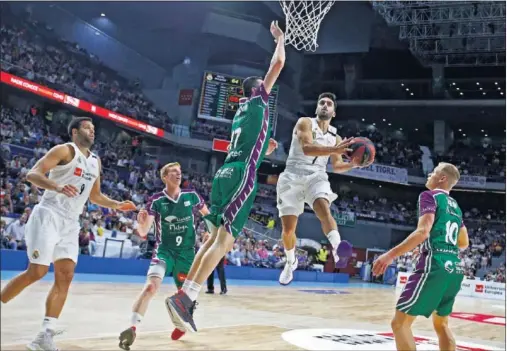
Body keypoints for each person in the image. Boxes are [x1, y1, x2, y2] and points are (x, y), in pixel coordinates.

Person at [165, 20, 285, 334]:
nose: (267, 88)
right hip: (242, 174)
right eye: (263, 85)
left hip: (225, 173)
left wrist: (264, 148)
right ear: (257, 89)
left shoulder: (242, 112)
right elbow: (279, 62)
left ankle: (186, 295)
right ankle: (186, 297)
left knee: (214, 239)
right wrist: (280, 39)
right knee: (225, 242)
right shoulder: (259, 100)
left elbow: (251, 143)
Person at [0, 117, 136, 351]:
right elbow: (32, 174)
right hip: (49, 215)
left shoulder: (95, 161)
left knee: (66, 275)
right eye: (87, 127)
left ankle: (45, 334)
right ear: (75, 132)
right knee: (37, 272)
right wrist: (57, 186)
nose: (92, 131)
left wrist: (116, 205)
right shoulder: (64, 150)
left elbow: (95, 196)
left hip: (70, 223)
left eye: (94, 128)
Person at [372, 162, 469, 351]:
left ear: (442, 178)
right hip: (455, 267)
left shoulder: (429, 196)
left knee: (399, 324)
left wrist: (389, 255)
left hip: (435, 264)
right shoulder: (456, 207)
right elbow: (464, 242)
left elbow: (423, 231)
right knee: (442, 325)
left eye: (433, 172)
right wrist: (435, 242)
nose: (429, 175)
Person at [276, 92, 364, 285]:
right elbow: (307, 148)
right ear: (317, 108)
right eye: (321, 103)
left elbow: (338, 166)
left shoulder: (335, 136)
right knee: (288, 230)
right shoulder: (305, 123)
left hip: (317, 175)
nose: (324, 105)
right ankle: (291, 262)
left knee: (324, 208)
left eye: (329, 104)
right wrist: (334, 150)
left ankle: (337, 247)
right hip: (292, 175)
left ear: (333, 112)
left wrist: (355, 164)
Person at [118, 162, 209, 349]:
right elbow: (143, 232)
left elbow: (207, 215)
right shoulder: (156, 200)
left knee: (185, 298)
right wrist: (139, 223)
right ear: (165, 177)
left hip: (187, 254)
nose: (178, 174)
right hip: (164, 252)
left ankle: (180, 325)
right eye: (174, 172)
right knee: (151, 287)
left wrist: (209, 230)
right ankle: (132, 328)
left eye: (180, 171)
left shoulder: (191, 196)